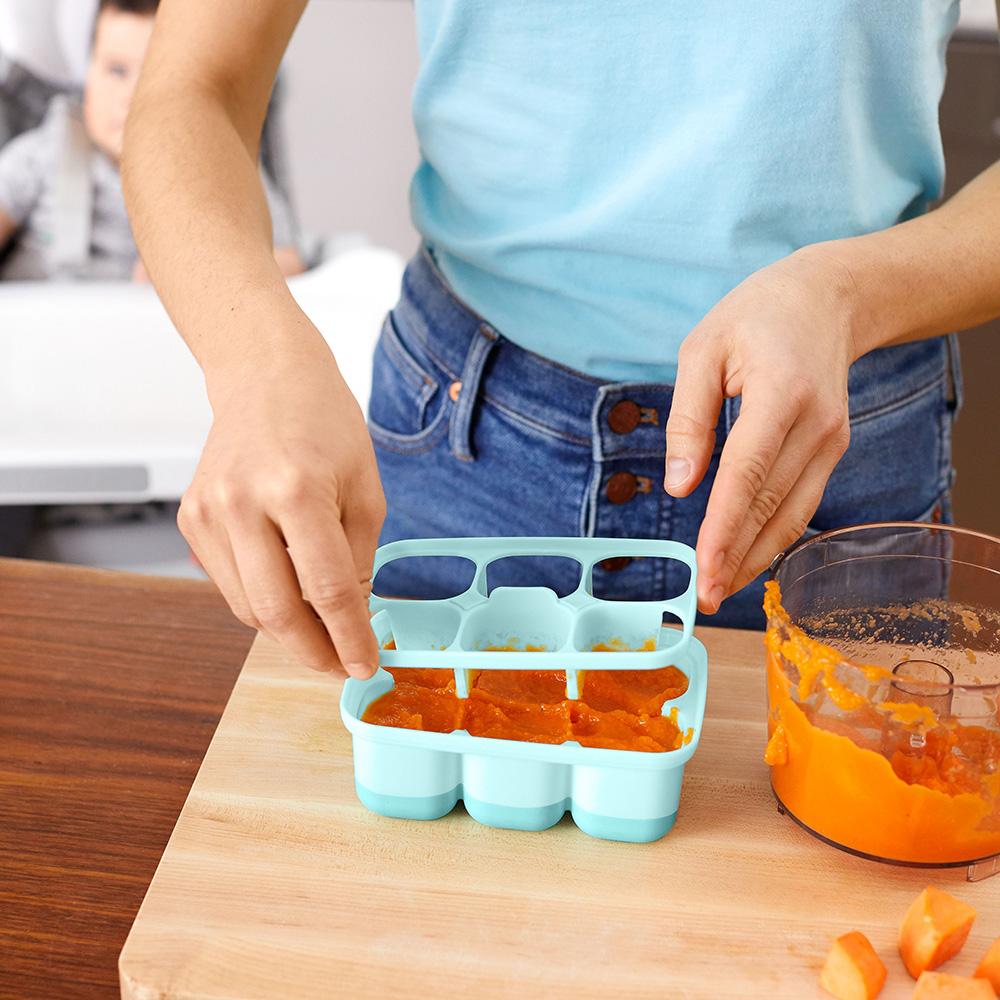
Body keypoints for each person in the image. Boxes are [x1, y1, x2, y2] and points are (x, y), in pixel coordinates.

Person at [122, 1, 1000, 680]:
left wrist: (846, 293)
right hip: (469, 454)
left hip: (831, 472)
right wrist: (255, 367)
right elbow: (191, 88)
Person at [0, 0, 303, 281]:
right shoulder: (40, 156)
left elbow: (288, 260)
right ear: (87, 77)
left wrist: (197, 275)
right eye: (117, 71)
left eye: (156, 77)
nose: (132, 96)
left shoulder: (223, 164)